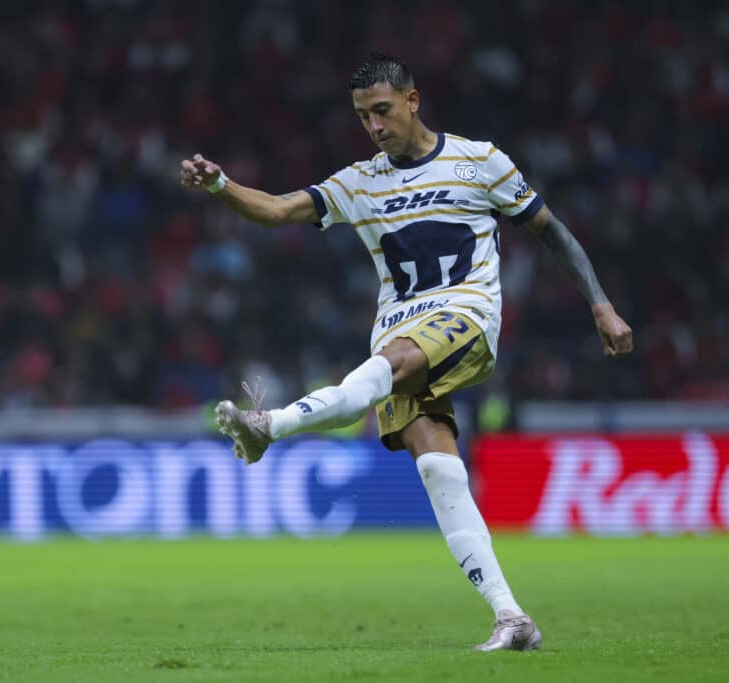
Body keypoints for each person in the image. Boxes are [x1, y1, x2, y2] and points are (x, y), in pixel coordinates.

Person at [179, 53, 633, 651]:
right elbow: (277, 210)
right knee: (438, 470)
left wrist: (599, 302)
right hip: (397, 327)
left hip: (465, 318)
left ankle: (271, 424)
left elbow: (550, 229)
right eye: (364, 117)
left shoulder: (480, 161)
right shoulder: (360, 182)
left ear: (413, 101)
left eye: (383, 111)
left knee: (390, 366)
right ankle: (512, 617)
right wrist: (219, 184)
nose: (374, 127)